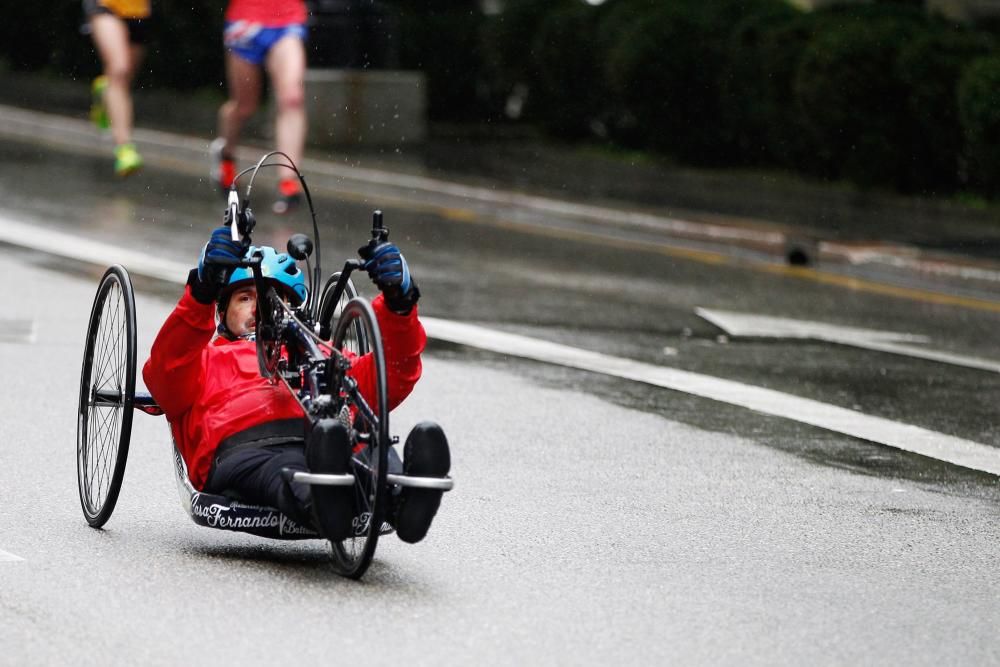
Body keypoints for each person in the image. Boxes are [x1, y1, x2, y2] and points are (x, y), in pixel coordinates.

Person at [142, 227, 450, 543]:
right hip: (247, 450)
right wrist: (202, 290)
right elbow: (166, 373)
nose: (260, 309)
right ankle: (324, 500)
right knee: (288, 467)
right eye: (246, 298)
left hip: (325, 440)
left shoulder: (319, 354)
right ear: (221, 312)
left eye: (275, 301)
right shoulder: (204, 359)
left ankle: (404, 499)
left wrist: (400, 303)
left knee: (369, 445)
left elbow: (390, 376)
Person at [211, 0, 310, 215]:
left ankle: (288, 182)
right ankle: (226, 157)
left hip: (288, 19)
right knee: (244, 106)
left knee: (292, 98)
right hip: (246, 20)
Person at [83, 0, 148, 177]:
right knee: (120, 69)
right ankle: (125, 149)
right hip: (105, 5)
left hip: (139, 11)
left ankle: (105, 95)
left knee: (124, 80)